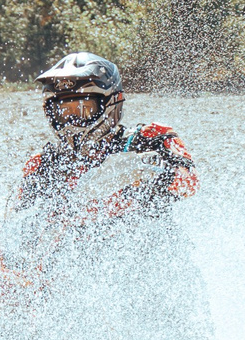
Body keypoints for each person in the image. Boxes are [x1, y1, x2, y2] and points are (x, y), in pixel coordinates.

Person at [11, 51, 196, 224]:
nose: (71, 121)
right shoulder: (44, 163)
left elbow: (190, 183)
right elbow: (17, 217)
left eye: (83, 109)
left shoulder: (150, 138)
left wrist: (153, 170)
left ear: (111, 102)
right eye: (64, 113)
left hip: (148, 245)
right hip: (73, 251)